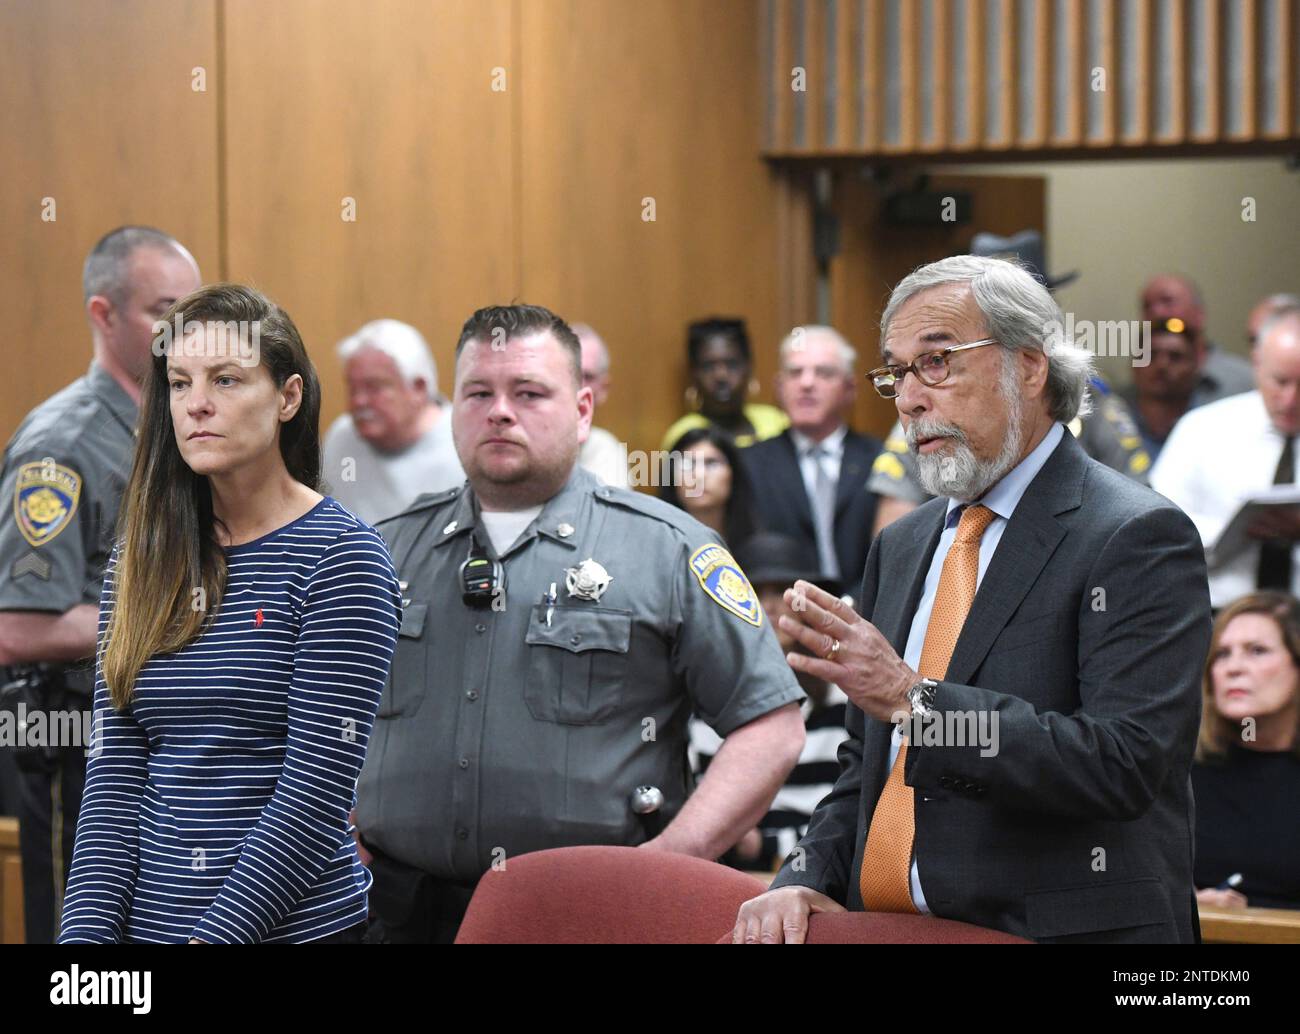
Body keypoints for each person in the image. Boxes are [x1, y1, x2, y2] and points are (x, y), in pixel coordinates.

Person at [734, 255, 1210, 944]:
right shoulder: (900, 546)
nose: (907, 399)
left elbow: (1122, 763)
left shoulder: (1136, 536)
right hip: (893, 932)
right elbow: (865, 767)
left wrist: (914, 702)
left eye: (935, 363)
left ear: (1028, 365)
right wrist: (804, 876)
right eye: (896, 373)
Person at [355, 303, 806, 943]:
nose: (500, 411)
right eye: (478, 392)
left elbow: (770, 726)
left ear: (583, 410)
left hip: (589, 916)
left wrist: (674, 859)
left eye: (529, 392)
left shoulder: (667, 549)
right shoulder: (386, 549)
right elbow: (316, 707)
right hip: (399, 912)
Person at [57, 284, 401, 943]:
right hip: (149, 928)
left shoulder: (342, 555)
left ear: (288, 397)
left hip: (288, 929)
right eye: (180, 383)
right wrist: (84, 949)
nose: (197, 405)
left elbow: (313, 796)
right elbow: (114, 774)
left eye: (227, 380)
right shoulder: (143, 557)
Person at [0, 226, 200, 942]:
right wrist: (171, 612)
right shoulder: (63, 445)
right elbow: (16, 631)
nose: (180, 333)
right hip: (74, 736)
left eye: (192, 313)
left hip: (161, 736)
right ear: (103, 314)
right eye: (162, 310)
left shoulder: (181, 427)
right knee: (78, 947)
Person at [690, 532, 848, 872]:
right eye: (756, 592)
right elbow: (695, 794)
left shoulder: (841, 696)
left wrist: (769, 845)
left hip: (817, 873)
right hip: (720, 868)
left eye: (781, 591)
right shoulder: (708, 695)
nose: (771, 605)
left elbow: (848, 808)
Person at [868, 375, 1150, 536]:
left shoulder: (1090, 396)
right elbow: (896, 522)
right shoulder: (926, 412)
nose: (906, 398)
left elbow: (1135, 502)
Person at [1151, 307, 1300, 608]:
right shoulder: (1202, 429)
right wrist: (1232, 530)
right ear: (1257, 364)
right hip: (1216, 613)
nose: (1291, 399)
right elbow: (1159, 528)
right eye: (1280, 382)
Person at [741, 326, 881, 603]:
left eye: (824, 373)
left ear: (849, 389)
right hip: (778, 621)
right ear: (779, 388)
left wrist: (851, 604)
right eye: (795, 373)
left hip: (871, 613)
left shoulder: (880, 460)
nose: (806, 383)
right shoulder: (748, 465)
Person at [1192, 592, 1300, 911]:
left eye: (1257, 651)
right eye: (1222, 654)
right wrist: (1183, 902)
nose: (1234, 668)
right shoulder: (1177, 769)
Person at [322, 318, 464, 525]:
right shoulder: (342, 437)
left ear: (418, 388)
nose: (358, 401)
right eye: (353, 388)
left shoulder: (463, 444)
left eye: (374, 387)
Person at [660, 317, 788, 450]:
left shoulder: (776, 423)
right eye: (708, 366)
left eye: (731, 364)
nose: (721, 376)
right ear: (693, 374)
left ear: (749, 368)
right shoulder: (684, 435)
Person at [1140, 273, 1255, 401]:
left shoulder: (1244, 382)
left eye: (1167, 301)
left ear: (1199, 314)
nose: (1157, 313)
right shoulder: (1137, 392)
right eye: (1147, 306)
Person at [659, 426, 759, 549]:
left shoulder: (759, 551)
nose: (699, 475)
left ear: (733, 473)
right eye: (688, 464)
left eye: (711, 463)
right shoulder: (655, 546)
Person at [1119, 320, 1206, 460]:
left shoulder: (1209, 427)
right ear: (1133, 365)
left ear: (1195, 367)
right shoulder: (1109, 423)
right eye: (1150, 355)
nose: (1162, 365)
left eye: (1175, 357)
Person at [571, 323, 629, 488]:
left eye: (587, 376)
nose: (577, 385)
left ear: (603, 389)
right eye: (569, 372)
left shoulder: (608, 451)